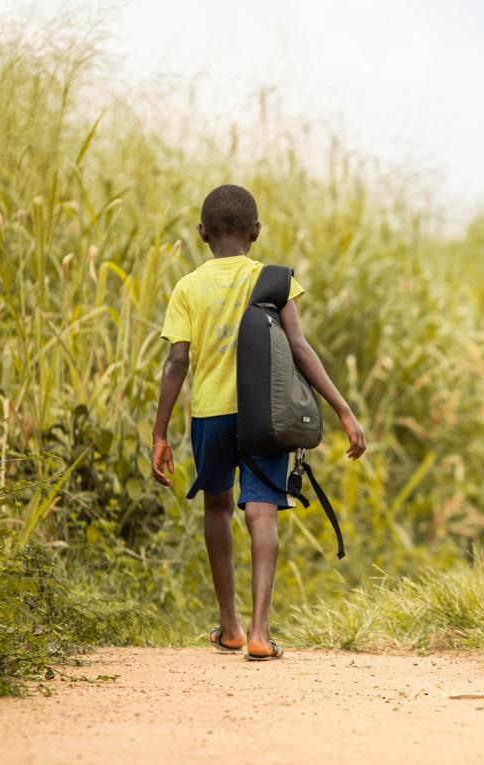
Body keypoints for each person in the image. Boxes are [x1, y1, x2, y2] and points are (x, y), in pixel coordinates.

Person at [151, 184, 366, 661]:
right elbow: (300, 348)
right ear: (256, 232)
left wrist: (160, 432)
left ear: (202, 233)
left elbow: (176, 362)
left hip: (210, 413)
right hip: (265, 414)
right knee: (262, 511)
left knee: (216, 509)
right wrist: (343, 409)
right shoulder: (275, 280)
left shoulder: (188, 286)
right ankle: (260, 632)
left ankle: (228, 625)